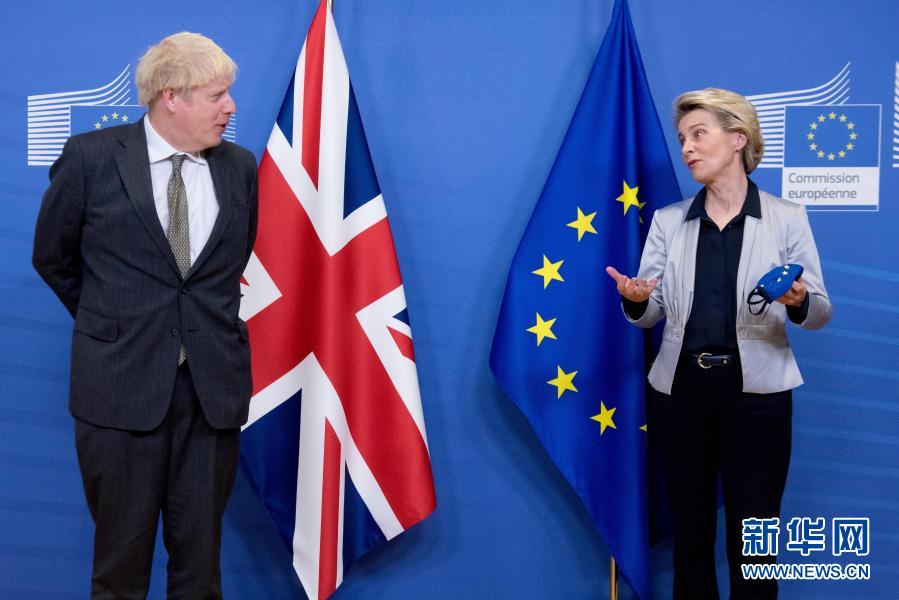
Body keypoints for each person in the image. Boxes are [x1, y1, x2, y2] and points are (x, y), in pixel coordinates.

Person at [32, 32, 258, 599]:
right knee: (119, 572)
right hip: (120, 392)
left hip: (211, 395)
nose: (231, 107)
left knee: (200, 572)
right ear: (171, 97)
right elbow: (53, 257)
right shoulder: (90, 158)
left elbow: (227, 267)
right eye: (218, 96)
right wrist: (116, 326)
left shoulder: (240, 167)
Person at [606, 88, 831, 599]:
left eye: (698, 134)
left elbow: (819, 312)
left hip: (759, 398)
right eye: (682, 138)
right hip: (680, 394)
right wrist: (636, 300)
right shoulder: (668, 221)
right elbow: (649, 312)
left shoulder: (787, 216)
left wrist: (798, 300)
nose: (687, 147)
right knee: (690, 535)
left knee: (756, 538)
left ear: (738, 138)